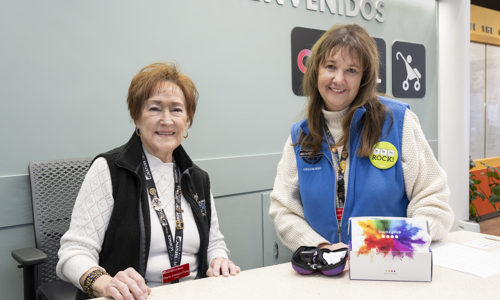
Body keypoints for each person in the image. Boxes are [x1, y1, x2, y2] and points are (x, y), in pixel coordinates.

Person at [57, 62, 240, 299]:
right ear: (136, 117)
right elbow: (73, 252)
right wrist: (105, 283)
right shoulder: (109, 170)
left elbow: (214, 241)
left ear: (187, 120)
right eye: (154, 109)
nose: (166, 120)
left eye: (176, 110)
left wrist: (219, 260)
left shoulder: (197, 178)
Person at [269, 24, 454, 253]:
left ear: (364, 78)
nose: (338, 79)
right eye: (330, 66)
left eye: (351, 70)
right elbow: (283, 209)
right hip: (325, 273)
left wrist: (392, 245)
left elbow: (434, 201)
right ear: (316, 70)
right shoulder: (301, 136)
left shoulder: (398, 122)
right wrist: (323, 250)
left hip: (388, 270)